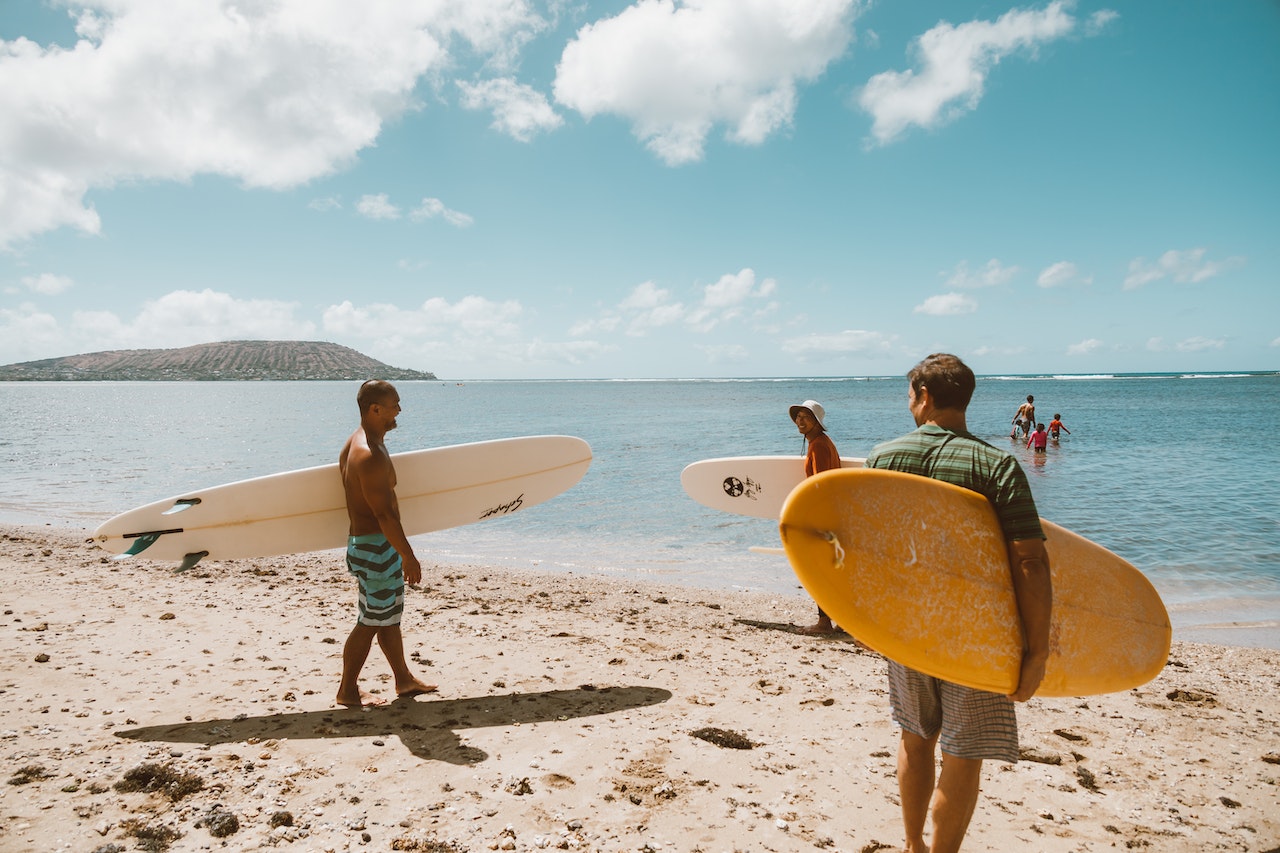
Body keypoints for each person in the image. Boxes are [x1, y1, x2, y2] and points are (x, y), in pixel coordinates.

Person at [865, 354, 1052, 853]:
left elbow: (868, 552)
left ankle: (911, 844)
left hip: (906, 630)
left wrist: (869, 621)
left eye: (910, 395)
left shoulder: (883, 458)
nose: (909, 403)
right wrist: (1036, 651)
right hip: (980, 634)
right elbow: (1030, 562)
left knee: (914, 737)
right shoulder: (997, 466)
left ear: (924, 396)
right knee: (964, 754)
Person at [336, 379, 437, 708]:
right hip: (377, 548)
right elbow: (383, 514)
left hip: (370, 545)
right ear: (374, 409)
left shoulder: (357, 442)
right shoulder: (370, 454)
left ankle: (403, 680)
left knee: (387, 617)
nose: (399, 409)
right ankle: (347, 691)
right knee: (369, 622)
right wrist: (409, 556)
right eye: (394, 403)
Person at [790, 399, 842, 636]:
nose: (800, 421)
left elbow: (821, 485)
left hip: (824, 516)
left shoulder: (819, 445)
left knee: (818, 569)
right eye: (798, 417)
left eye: (805, 417)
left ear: (816, 422)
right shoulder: (819, 443)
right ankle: (843, 620)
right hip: (831, 514)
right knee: (831, 569)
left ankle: (824, 623)